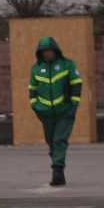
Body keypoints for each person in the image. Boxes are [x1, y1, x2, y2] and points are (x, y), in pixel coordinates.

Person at [27, 35, 84, 187]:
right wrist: (35, 106)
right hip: (45, 113)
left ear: (55, 50)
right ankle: (59, 171)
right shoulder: (36, 68)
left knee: (59, 140)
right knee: (51, 142)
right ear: (40, 52)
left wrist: (74, 104)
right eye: (44, 51)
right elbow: (32, 90)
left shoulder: (67, 64)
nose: (47, 53)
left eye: (50, 50)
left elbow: (76, 84)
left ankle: (57, 171)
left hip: (65, 111)